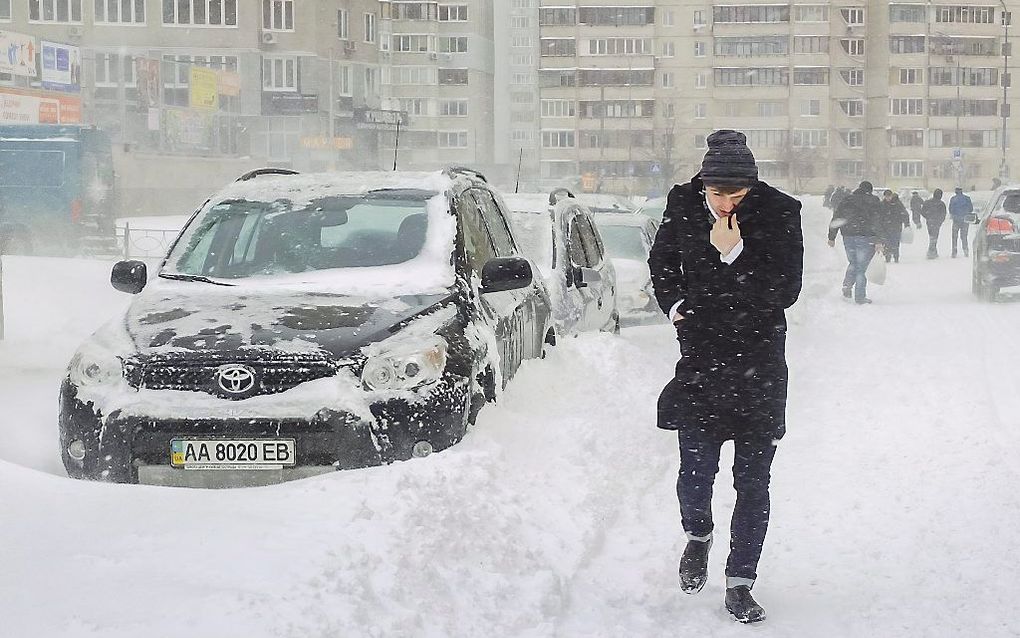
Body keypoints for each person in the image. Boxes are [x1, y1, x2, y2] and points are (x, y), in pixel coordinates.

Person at [648, 130, 804, 624]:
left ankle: (740, 582)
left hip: (759, 364)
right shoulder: (683, 202)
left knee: (752, 483)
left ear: (752, 187)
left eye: (738, 194)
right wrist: (674, 306)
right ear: (703, 185)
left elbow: (785, 290)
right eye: (718, 193)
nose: (727, 203)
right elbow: (662, 261)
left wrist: (734, 254)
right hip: (701, 361)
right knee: (695, 476)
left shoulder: (781, 211)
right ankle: (698, 534)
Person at [827, 181, 884, 304]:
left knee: (853, 262)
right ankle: (860, 297)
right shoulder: (873, 201)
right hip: (866, 237)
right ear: (870, 190)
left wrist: (832, 236)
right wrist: (879, 240)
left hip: (848, 236)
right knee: (862, 268)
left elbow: (837, 218)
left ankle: (847, 285)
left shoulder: (847, 199)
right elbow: (878, 221)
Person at [879, 190, 910, 263]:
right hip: (885, 227)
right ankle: (887, 256)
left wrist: (906, 223)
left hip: (896, 227)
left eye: (889, 196)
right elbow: (879, 215)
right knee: (886, 243)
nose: (888, 198)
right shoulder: (882, 204)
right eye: (886, 196)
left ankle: (896, 256)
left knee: (895, 242)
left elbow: (904, 214)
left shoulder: (897, 204)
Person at [921, 189, 948, 259]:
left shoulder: (927, 202)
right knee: (934, 236)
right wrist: (940, 221)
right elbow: (943, 214)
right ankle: (931, 251)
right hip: (936, 223)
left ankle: (933, 251)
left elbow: (922, 211)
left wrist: (928, 217)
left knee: (932, 236)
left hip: (930, 222)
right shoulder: (941, 204)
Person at [948, 187, 974, 258]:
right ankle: (966, 251)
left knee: (954, 237)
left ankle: (954, 251)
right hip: (965, 220)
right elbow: (971, 209)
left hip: (956, 220)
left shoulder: (953, 199)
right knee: (964, 236)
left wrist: (955, 215)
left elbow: (950, 209)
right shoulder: (967, 198)